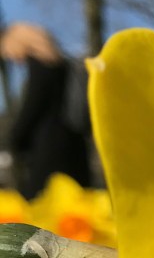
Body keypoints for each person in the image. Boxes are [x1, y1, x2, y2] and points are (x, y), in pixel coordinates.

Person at [0, 23, 92, 199]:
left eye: (7, 50)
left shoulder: (41, 66)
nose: (9, 56)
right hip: (75, 144)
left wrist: (14, 138)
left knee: (39, 208)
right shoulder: (63, 65)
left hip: (49, 148)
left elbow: (34, 105)